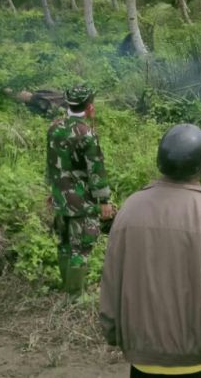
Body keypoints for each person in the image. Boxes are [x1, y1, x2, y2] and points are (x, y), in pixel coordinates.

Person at [100, 124, 201, 378]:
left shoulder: (130, 209)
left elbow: (112, 280)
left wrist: (113, 331)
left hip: (143, 358)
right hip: (197, 360)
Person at [46, 84, 114, 294]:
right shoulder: (86, 134)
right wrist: (104, 202)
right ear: (90, 106)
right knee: (81, 248)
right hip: (79, 201)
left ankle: (66, 287)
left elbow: (51, 164)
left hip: (59, 196)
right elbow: (97, 171)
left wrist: (52, 191)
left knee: (64, 242)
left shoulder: (54, 127)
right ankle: (74, 296)